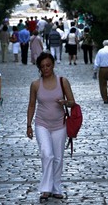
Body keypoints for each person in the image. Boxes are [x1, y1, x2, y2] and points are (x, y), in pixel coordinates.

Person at [26, 52, 75, 201]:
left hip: (60, 125)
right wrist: (28, 125)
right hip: (42, 124)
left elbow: (72, 102)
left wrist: (65, 102)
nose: (46, 68)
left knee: (58, 158)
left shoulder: (63, 81)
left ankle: (56, 187)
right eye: (42, 67)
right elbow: (32, 104)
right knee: (47, 154)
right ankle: (45, 188)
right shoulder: (35, 84)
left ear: (53, 65)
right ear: (39, 68)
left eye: (48, 65)